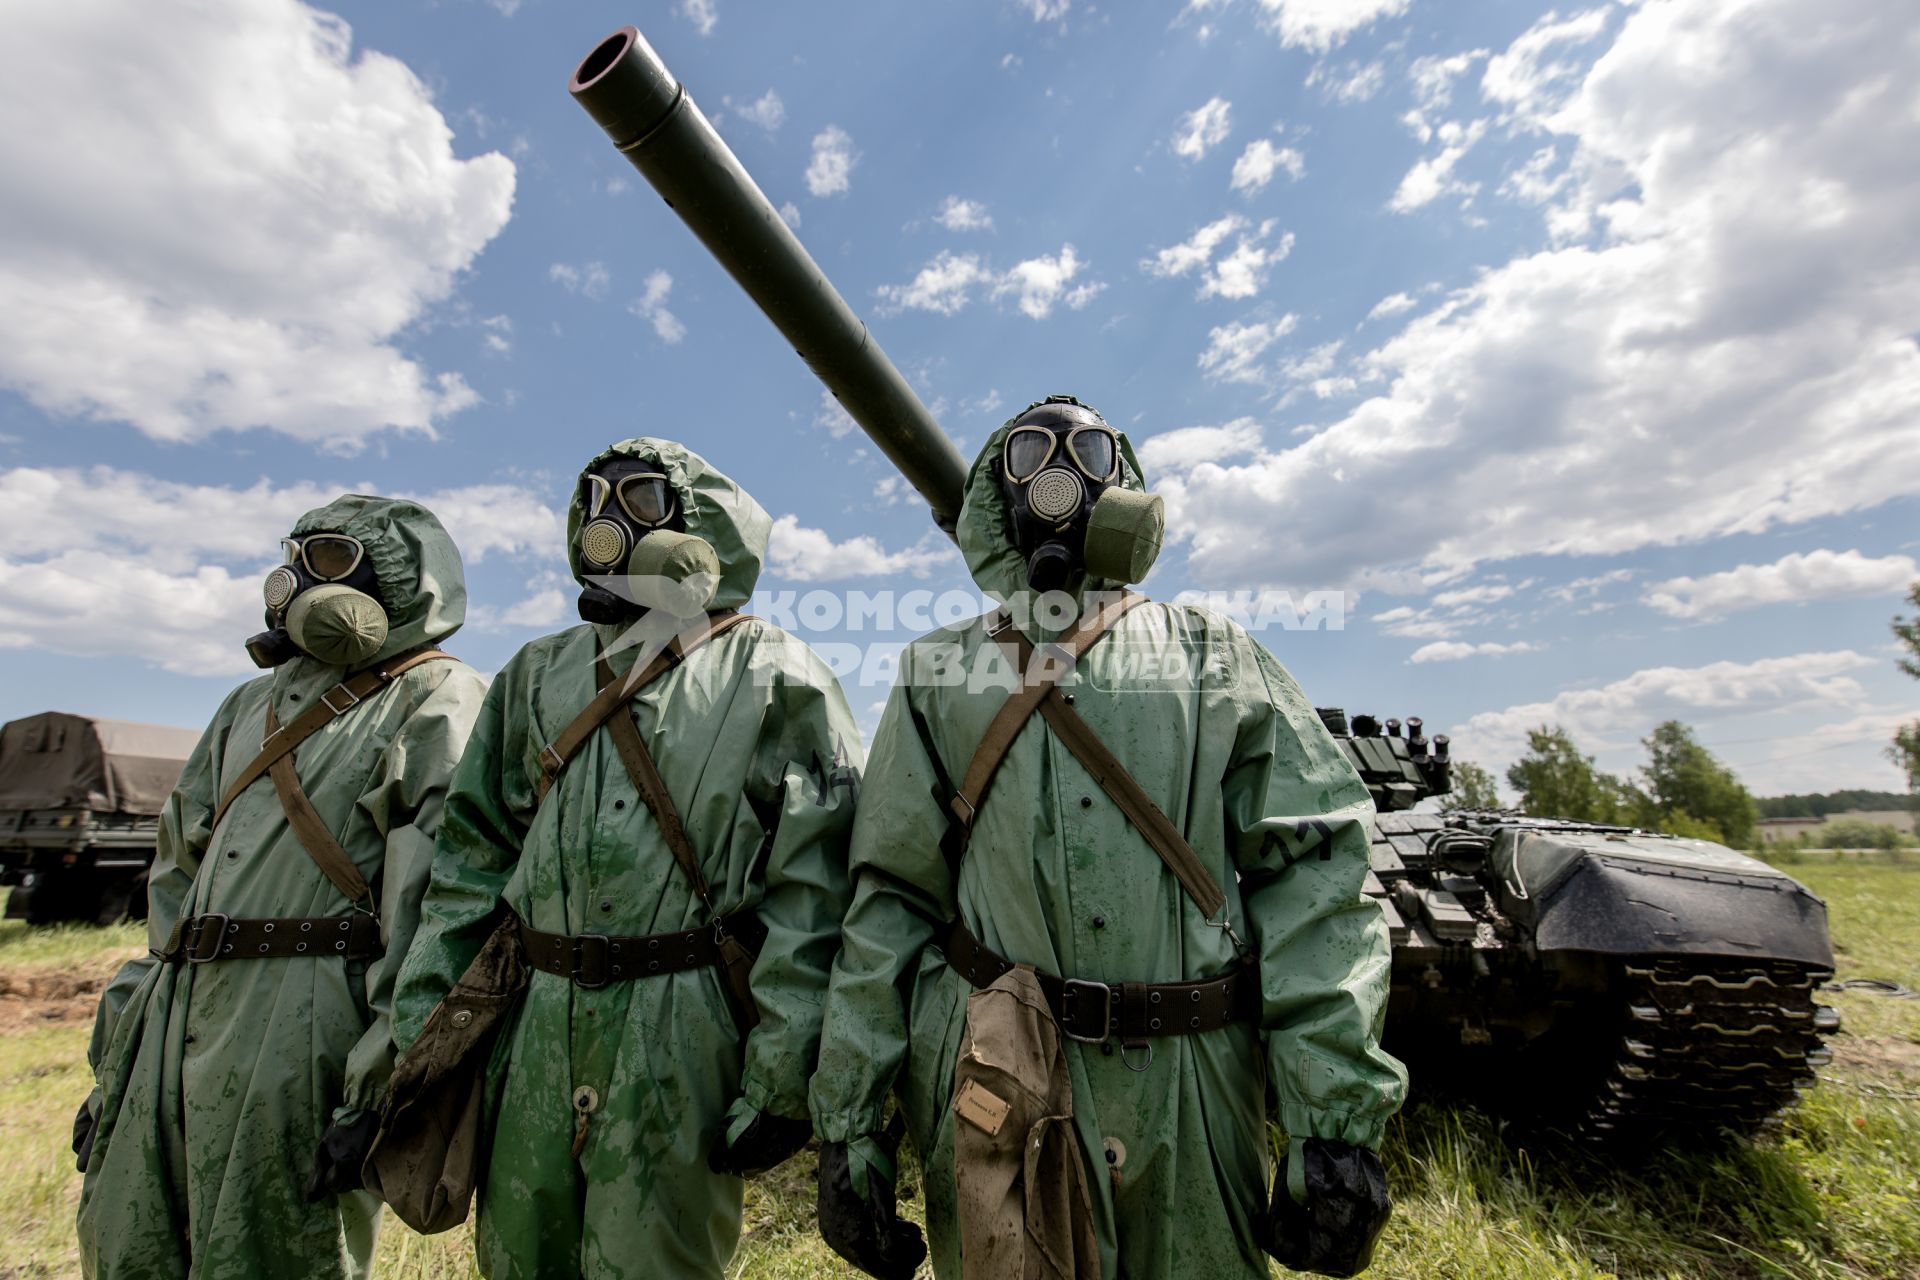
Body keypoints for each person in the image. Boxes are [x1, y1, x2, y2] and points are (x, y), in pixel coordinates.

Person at [810, 396, 1408, 1279]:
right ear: (991, 499)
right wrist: (850, 1122)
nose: (1056, 469)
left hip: (1193, 1094)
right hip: (1004, 1082)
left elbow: (1315, 874)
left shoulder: (1214, 656)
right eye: (1025, 454)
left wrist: (1337, 1121)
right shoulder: (938, 672)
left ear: (1123, 486)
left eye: (1086, 446)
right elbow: (891, 902)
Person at [390, 438, 861, 1279]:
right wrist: (423, 1042)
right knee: (518, 1254)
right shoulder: (537, 674)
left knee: (657, 1258)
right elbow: (468, 865)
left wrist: (783, 1072)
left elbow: (814, 890)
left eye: (642, 502)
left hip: (681, 1029)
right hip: (533, 1018)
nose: (609, 523)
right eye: (594, 502)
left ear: (701, 524)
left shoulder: (774, 672)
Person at [74, 495, 488, 1280]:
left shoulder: (438, 697)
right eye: (294, 557)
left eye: (328, 560)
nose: (293, 581)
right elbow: (173, 878)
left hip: (303, 1022)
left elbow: (436, 908)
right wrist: (119, 1053)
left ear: (400, 579)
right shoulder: (247, 705)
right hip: (176, 1009)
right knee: (126, 1238)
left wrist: (379, 1085)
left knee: (272, 1250)